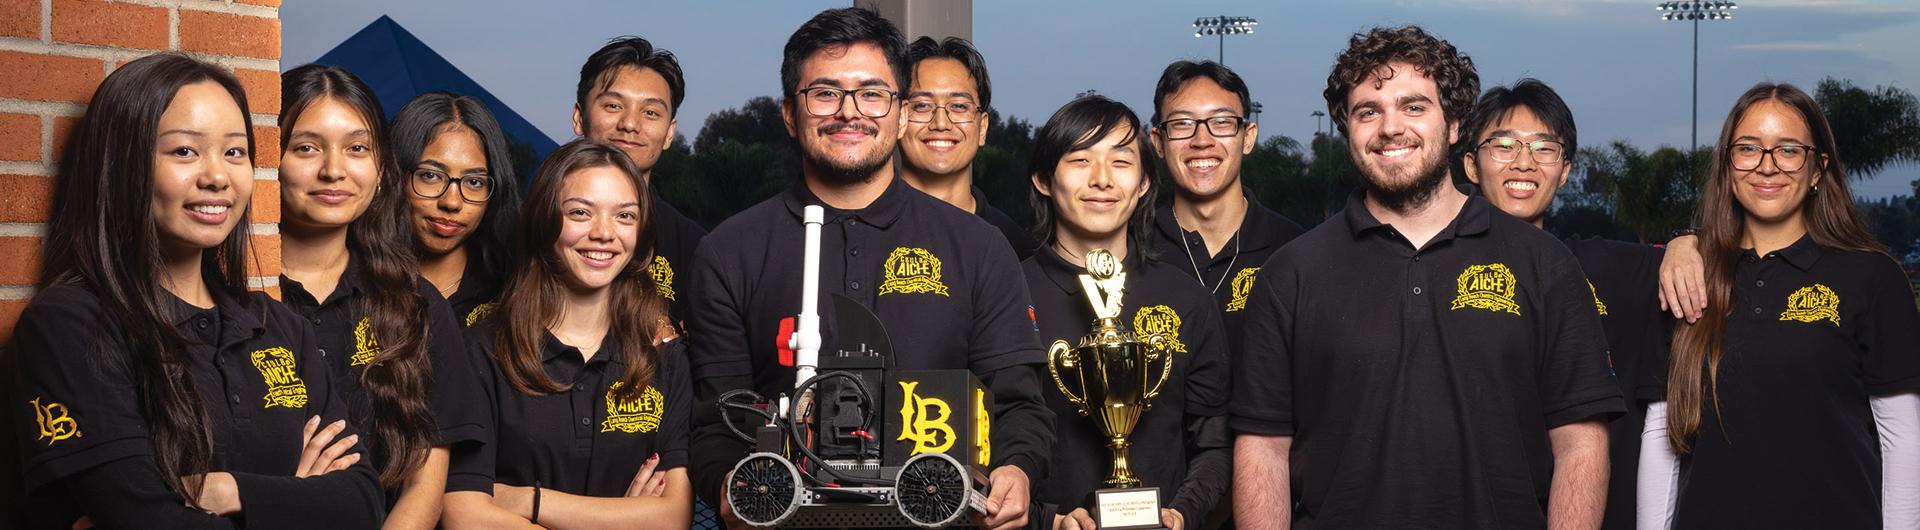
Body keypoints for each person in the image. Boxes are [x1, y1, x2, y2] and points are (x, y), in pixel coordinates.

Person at [1231, 26, 1621, 529]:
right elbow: (1263, 447)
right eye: (1368, 111)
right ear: (1347, 128)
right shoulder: (1292, 272)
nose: (1391, 127)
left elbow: (1580, 442)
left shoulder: (1543, 263)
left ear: (1455, 123)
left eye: (1414, 107)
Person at [685, 8, 1053, 530]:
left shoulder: (978, 247)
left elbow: (1019, 405)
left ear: (901, 113)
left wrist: (1018, 467)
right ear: (790, 113)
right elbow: (716, 422)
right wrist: (731, 484)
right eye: (825, 93)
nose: (849, 112)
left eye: (873, 93)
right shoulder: (728, 252)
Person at [7, 52, 382, 528]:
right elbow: (140, 518)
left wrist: (226, 490)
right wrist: (297, 496)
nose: (218, 177)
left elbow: (363, 502)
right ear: (123, 164)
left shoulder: (280, 326)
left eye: (235, 152)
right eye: (184, 151)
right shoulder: (71, 324)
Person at [1637, 82, 1920, 530]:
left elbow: (1901, 438)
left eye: (1788, 150)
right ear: (1728, 165)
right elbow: (1660, 432)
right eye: (1748, 149)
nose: (1767, 167)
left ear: (1817, 169)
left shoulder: (1871, 277)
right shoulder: (1687, 276)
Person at [275, 64, 488, 528]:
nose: (334, 170)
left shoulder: (418, 305)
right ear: (269, 160)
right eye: (306, 147)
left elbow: (427, 486)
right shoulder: (228, 301)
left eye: (356, 148)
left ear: (380, 170)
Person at [443, 139, 693, 528]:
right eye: (580, 212)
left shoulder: (663, 355)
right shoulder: (483, 350)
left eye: (625, 216)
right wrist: (622, 520)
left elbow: (672, 516)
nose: (604, 233)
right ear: (545, 219)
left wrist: (528, 500)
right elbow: (465, 516)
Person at [1459, 78, 1667, 530]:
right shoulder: (1433, 271)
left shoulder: (1600, 266)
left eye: (1543, 148)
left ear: (1566, 169)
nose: (1524, 163)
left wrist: (1690, 244)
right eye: (1504, 145)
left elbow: (1716, 257)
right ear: (1471, 165)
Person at [1020, 96, 1230, 530]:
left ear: (1145, 182)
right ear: (1043, 179)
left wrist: (1184, 512)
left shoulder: (1186, 298)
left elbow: (1215, 443)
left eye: (1120, 161)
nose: (1102, 180)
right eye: (1080, 160)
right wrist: (1046, 521)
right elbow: (979, 446)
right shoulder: (1005, 293)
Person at [1147, 61, 1304, 351]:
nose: (1202, 141)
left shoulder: (1295, 251)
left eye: (1221, 122)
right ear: (1158, 141)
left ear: (1248, 137)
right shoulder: (1128, 247)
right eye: (1182, 123)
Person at [571, 36, 707, 328]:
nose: (630, 124)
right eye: (612, 106)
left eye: (650, 112)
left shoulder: (695, 247)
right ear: (579, 117)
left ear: (669, 133)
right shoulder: (529, 225)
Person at [390, 91, 523, 326]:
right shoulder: (352, 281)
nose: (451, 202)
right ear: (396, 174)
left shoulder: (513, 290)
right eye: (430, 176)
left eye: (474, 182)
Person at [899, 36, 1038, 259]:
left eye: (959, 106)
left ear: (982, 127)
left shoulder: (1015, 247)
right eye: (922, 106)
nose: (941, 123)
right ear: (899, 119)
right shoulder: (859, 229)